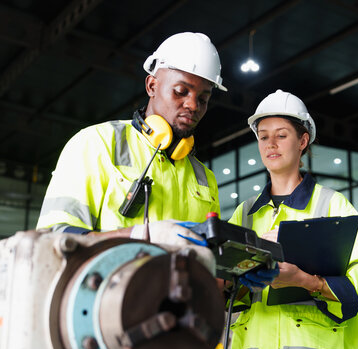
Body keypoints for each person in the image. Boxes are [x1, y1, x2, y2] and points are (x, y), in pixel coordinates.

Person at [227, 90, 358, 349]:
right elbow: (227, 287)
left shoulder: (332, 205)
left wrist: (307, 281)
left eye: (281, 135)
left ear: (303, 140)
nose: (270, 144)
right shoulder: (245, 214)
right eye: (263, 136)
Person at [36, 32, 226, 237]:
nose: (192, 105)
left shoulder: (205, 179)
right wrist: (136, 237)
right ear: (152, 86)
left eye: (203, 99)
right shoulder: (97, 143)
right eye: (181, 91)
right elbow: (55, 237)